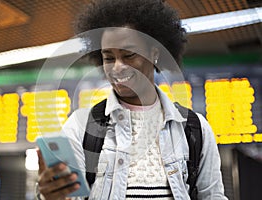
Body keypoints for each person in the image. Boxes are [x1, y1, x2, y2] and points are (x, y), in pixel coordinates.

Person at [37, 0, 228, 199]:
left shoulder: (194, 129)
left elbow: (212, 195)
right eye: (109, 58)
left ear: (154, 54)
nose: (117, 67)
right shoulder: (80, 126)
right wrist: (52, 195)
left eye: (129, 55)